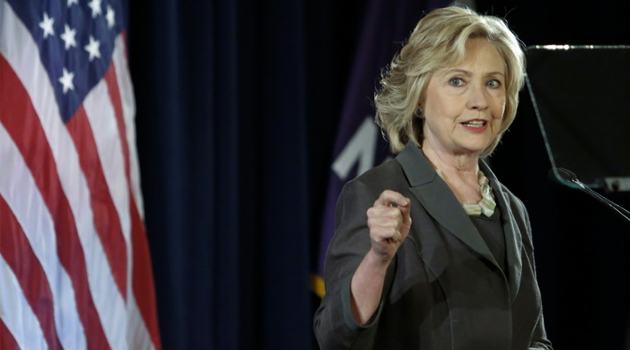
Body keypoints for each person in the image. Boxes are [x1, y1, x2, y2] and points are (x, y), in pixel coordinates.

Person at [313, 6, 553, 350]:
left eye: (493, 83)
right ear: (420, 98)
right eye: (457, 81)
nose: (479, 101)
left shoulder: (512, 209)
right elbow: (335, 337)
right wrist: (377, 259)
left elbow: (534, 338)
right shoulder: (376, 192)